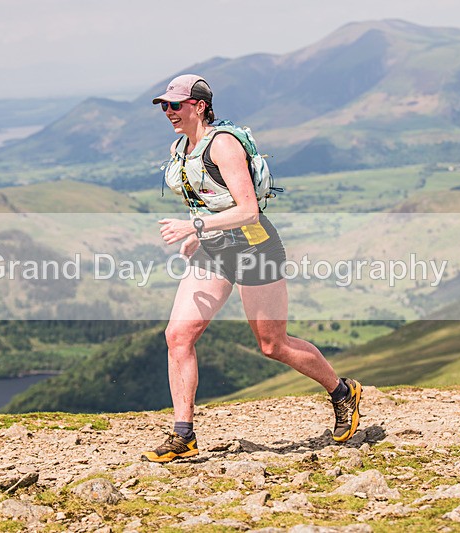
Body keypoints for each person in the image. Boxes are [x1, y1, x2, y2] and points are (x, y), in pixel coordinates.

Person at [141, 74, 362, 463]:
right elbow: (210, 202)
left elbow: (247, 210)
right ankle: (183, 434)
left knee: (272, 345)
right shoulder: (182, 147)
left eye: (176, 105)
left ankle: (342, 392)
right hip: (214, 248)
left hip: (254, 246)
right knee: (177, 335)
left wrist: (193, 227)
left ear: (200, 106)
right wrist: (200, 232)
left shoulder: (223, 145)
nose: (169, 112)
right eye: (164, 105)